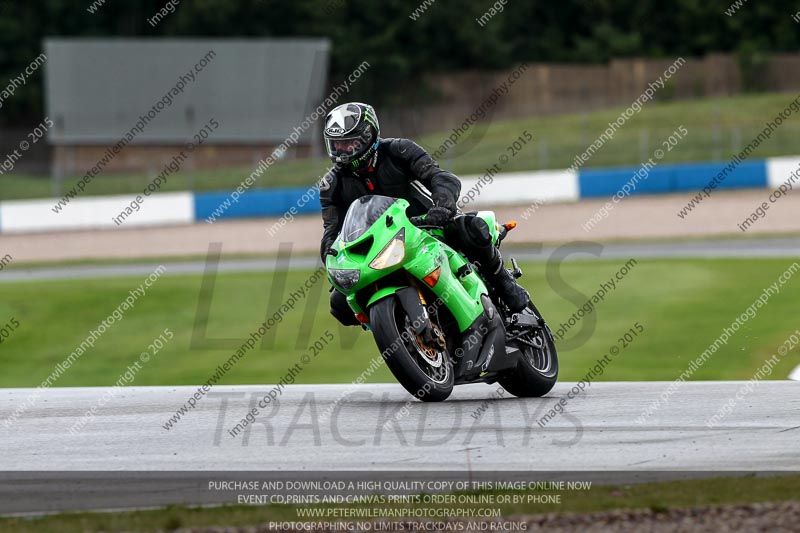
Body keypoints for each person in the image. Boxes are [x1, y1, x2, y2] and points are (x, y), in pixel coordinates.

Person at [318, 102, 529, 326]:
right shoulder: (332, 184)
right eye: (337, 145)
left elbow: (441, 177)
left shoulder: (399, 150)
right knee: (339, 303)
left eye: (349, 143)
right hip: (380, 246)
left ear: (368, 136)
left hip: (429, 224)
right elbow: (332, 232)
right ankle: (399, 327)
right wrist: (335, 262)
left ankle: (505, 283)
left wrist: (443, 206)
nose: (342, 151)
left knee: (473, 228)